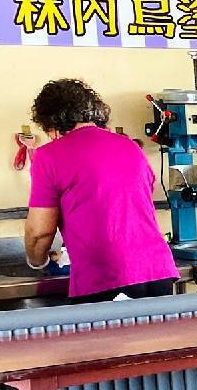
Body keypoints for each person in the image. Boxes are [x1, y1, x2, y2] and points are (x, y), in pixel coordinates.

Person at [24, 79, 178, 305]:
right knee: (154, 339)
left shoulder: (49, 156)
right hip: (158, 272)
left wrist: (37, 262)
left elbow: (40, 233)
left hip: (107, 278)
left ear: (51, 123)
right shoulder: (130, 147)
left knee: (102, 341)